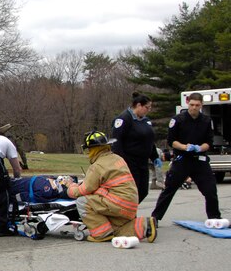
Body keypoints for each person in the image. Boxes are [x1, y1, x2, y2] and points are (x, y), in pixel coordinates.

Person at [63, 131, 157, 243]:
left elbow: (84, 190)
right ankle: (146, 225)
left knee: (82, 201)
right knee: (117, 230)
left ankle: (101, 234)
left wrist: (70, 188)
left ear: (93, 149)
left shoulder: (97, 166)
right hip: (130, 204)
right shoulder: (118, 158)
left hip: (117, 203)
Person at [151, 92, 222, 223]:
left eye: (197, 105)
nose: (194, 108)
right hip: (182, 160)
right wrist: (184, 147)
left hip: (199, 160)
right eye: (192, 104)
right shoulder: (178, 120)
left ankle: (215, 218)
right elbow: (171, 141)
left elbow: (209, 142)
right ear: (188, 103)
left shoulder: (206, 120)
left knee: (210, 190)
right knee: (169, 190)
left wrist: (200, 148)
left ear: (202, 105)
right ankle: (155, 217)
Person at [110, 92, 161, 202]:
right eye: (147, 107)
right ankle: (128, 214)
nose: (149, 110)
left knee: (143, 191)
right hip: (130, 162)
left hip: (143, 162)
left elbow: (149, 140)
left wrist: (155, 156)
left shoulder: (145, 120)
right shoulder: (124, 119)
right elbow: (116, 142)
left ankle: (129, 211)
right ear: (138, 105)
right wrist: (121, 162)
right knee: (133, 191)